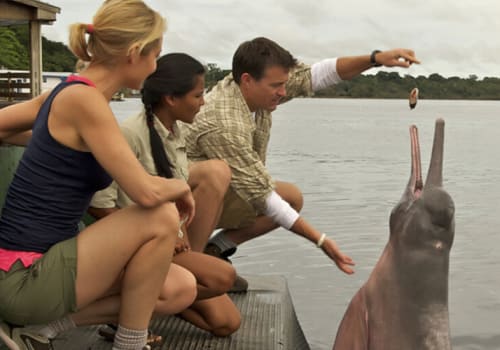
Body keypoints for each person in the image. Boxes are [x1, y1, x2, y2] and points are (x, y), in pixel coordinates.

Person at [0, 1, 194, 350]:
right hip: (23, 278)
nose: (155, 67)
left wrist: (45, 142)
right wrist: (181, 186)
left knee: (179, 288)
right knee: (161, 215)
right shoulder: (84, 101)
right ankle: (130, 345)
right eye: (155, 56)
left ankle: (48, 328)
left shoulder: (67, 95)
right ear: (134, 53)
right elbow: (147, 193)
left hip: (49, 264)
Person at [182, 37, 421, 282]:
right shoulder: (224, 122)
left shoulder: (255, 90)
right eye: (277, 86)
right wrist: (320, 240)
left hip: (219, 197)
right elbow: (262, 196)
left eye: (284, 84)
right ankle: (190, 266)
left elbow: (320, 74)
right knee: (220, 177)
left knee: (290, 197)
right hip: (181, 207)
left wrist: (375, 59)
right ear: (247, 80)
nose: (284, 93)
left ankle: (216, 249)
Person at [88, 52, 241, 337]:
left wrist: (179, 233)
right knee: (223, 276)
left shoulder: (174, 132)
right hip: (136, 249)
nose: (203, 102)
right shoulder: (130, 134)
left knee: (226, 323)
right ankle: (131, 312)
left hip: (165, 244)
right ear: (171, 98)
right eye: (197, 95)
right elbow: (99, 206)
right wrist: (156, 233)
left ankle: (145, 306)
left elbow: (175, 194)